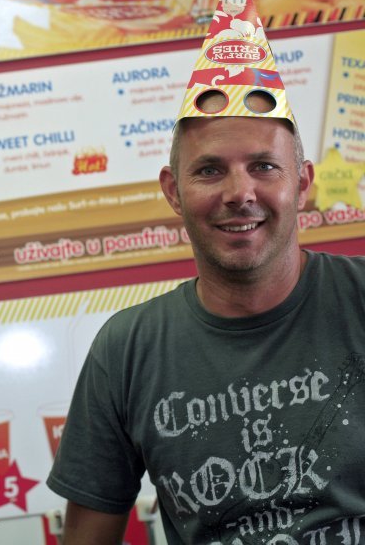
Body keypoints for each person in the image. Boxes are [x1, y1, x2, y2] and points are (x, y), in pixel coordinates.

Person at [46, 82, 365, 543]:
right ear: (173, 192)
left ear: (301, 183)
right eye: (210, 170)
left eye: (264, 166)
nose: (240, 192)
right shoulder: (126, 351)